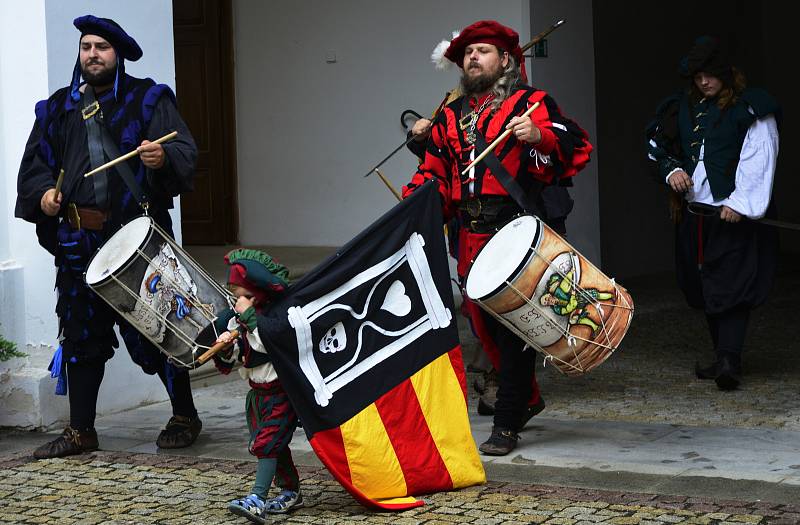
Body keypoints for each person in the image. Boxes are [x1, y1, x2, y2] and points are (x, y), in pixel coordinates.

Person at [402, 20, 592, 455]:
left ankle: (506, 423)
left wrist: (537, 135)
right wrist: (408, 211)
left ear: (505, 60)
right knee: (484, 327)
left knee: (515, 328)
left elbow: (572, 145)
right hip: (469, 234)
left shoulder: (530, 103)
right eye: (468, 53)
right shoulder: (450, 115)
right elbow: (432, 173)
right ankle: (526, 399)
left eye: (483, 50)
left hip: (515, 231)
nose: (473, 57)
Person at [15, 15, 200, 458]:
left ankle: (184, 414)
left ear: (117, 54)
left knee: (160, 328)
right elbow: (35, 169)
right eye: (86, 47)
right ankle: (81, 430)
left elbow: (185, 152)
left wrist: (160, 157)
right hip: (78, 242)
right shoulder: (57, 109)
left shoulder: (148, 100)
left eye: (101, 47)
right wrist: (44, 198)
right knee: (80, 336)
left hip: (138, 237)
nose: (92, 54)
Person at [645, 36, 780, 391]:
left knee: (731, 286)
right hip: (695, 215)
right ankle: (723, 355)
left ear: (726, 73)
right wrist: (672, 170)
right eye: (697, 76)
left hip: (732, 215)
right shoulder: (682, 108)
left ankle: (729, 361)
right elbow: (657, 147)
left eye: (710, 74)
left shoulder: (749, 107)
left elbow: (761, 154)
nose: (703, 81)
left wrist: (741, 203)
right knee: (702, 284)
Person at [211, 249, 303, 521]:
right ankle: (290, 490)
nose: (239, 302)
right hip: (257, 394)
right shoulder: (236, 318)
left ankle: (257, 498)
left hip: (281, 393)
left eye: (246, 296)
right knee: (272, 445)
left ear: (259, 293)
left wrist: (250, 318)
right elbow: (237, 360)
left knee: (266, 444)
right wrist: (226, 348)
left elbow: (272, 342)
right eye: (235, 295)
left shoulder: (276, 315)